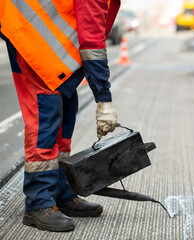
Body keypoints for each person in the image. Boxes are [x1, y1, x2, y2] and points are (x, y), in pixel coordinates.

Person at [0, 0, 121, 232]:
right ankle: (38, 203)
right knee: (45, 114)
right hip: (30, 36)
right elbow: (91, 41)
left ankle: (60, 192)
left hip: (43, 39)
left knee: (66, 106)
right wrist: (103, 100)